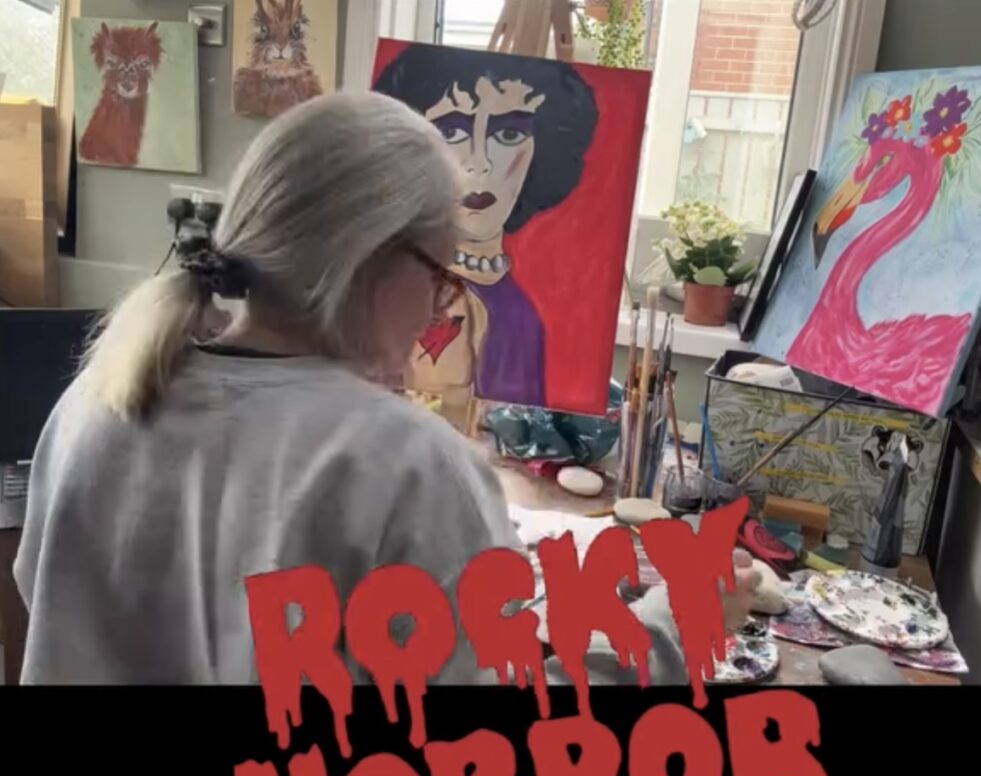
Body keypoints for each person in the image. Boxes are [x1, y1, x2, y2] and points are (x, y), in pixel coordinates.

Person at [14, 91, 755, 686]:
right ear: (373, 262)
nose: (438, 311)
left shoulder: (94, 399)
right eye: (440, 277)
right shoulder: (406, 463)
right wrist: (674, 627)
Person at [374, 44, 598, 412]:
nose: (480, 164)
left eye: (507, 135)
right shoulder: (402, 289)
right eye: (451, 131)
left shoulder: (519, 314)